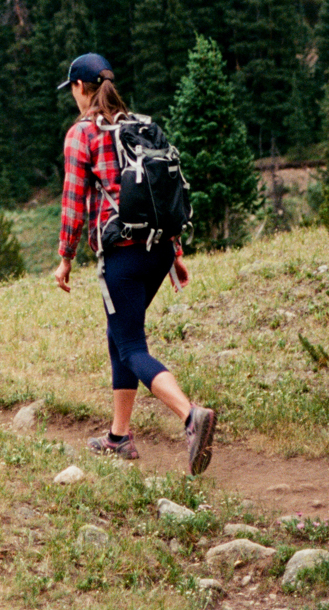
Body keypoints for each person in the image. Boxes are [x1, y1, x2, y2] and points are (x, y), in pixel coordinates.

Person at [52, 52, 216, 474]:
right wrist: (175, 253)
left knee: (131, 345)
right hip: (158, 250)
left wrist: (65, 259)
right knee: (119, 334)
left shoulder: (81, 134)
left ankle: (189, 415)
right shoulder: (143, 125)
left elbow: (73, 204)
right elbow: (166, 194)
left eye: (71, 89)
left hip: (121, 252)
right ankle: (119, 437)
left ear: (80, 88)